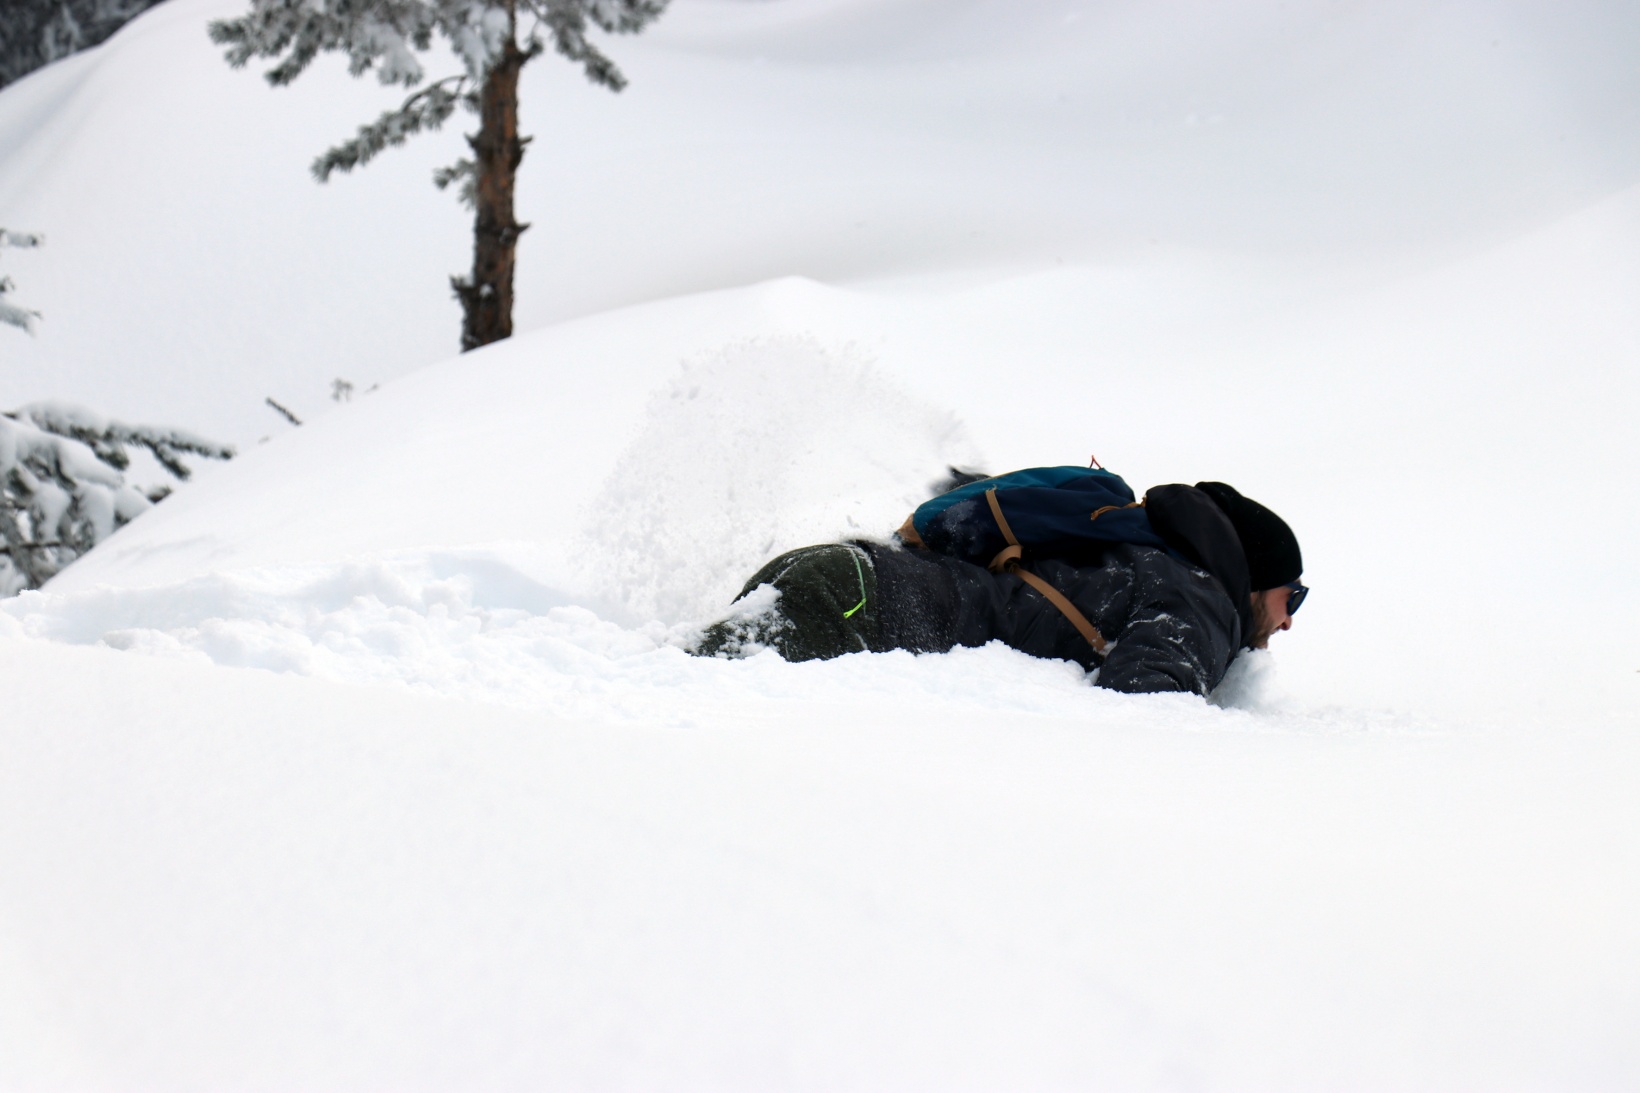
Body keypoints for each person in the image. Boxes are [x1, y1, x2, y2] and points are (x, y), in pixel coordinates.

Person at [693, 469, 1305, 696]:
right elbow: (1148, 713)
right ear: (1255, 580)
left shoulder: (1134, 551)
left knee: (684, 687)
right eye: (1292, 596)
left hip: (842, 575)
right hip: (858, 606)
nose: (1288, 621)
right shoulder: (1201, 603)